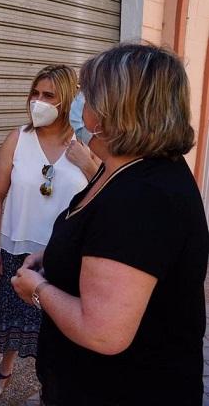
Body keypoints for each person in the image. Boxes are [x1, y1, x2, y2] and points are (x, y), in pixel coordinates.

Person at [12, 44, 209, 405]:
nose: (79, 103)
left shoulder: (145, 197)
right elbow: (106, 244)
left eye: (87, 93)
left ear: (112, 110)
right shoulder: (124, 168)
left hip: (122, 390)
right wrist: (55, 255)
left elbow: (103, 333)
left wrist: (38, 289)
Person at [0, 65, 98, 401]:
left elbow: (107, 195)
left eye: (48, 95)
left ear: (68, 101)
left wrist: (89, 165)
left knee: (58, 327)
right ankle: (5, 368)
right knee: (15, 323)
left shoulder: (86, 144)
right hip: (17, 250)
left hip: (64, 255)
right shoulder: (17, 139)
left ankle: (53, 383)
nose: (38, 101)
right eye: (35, 93)